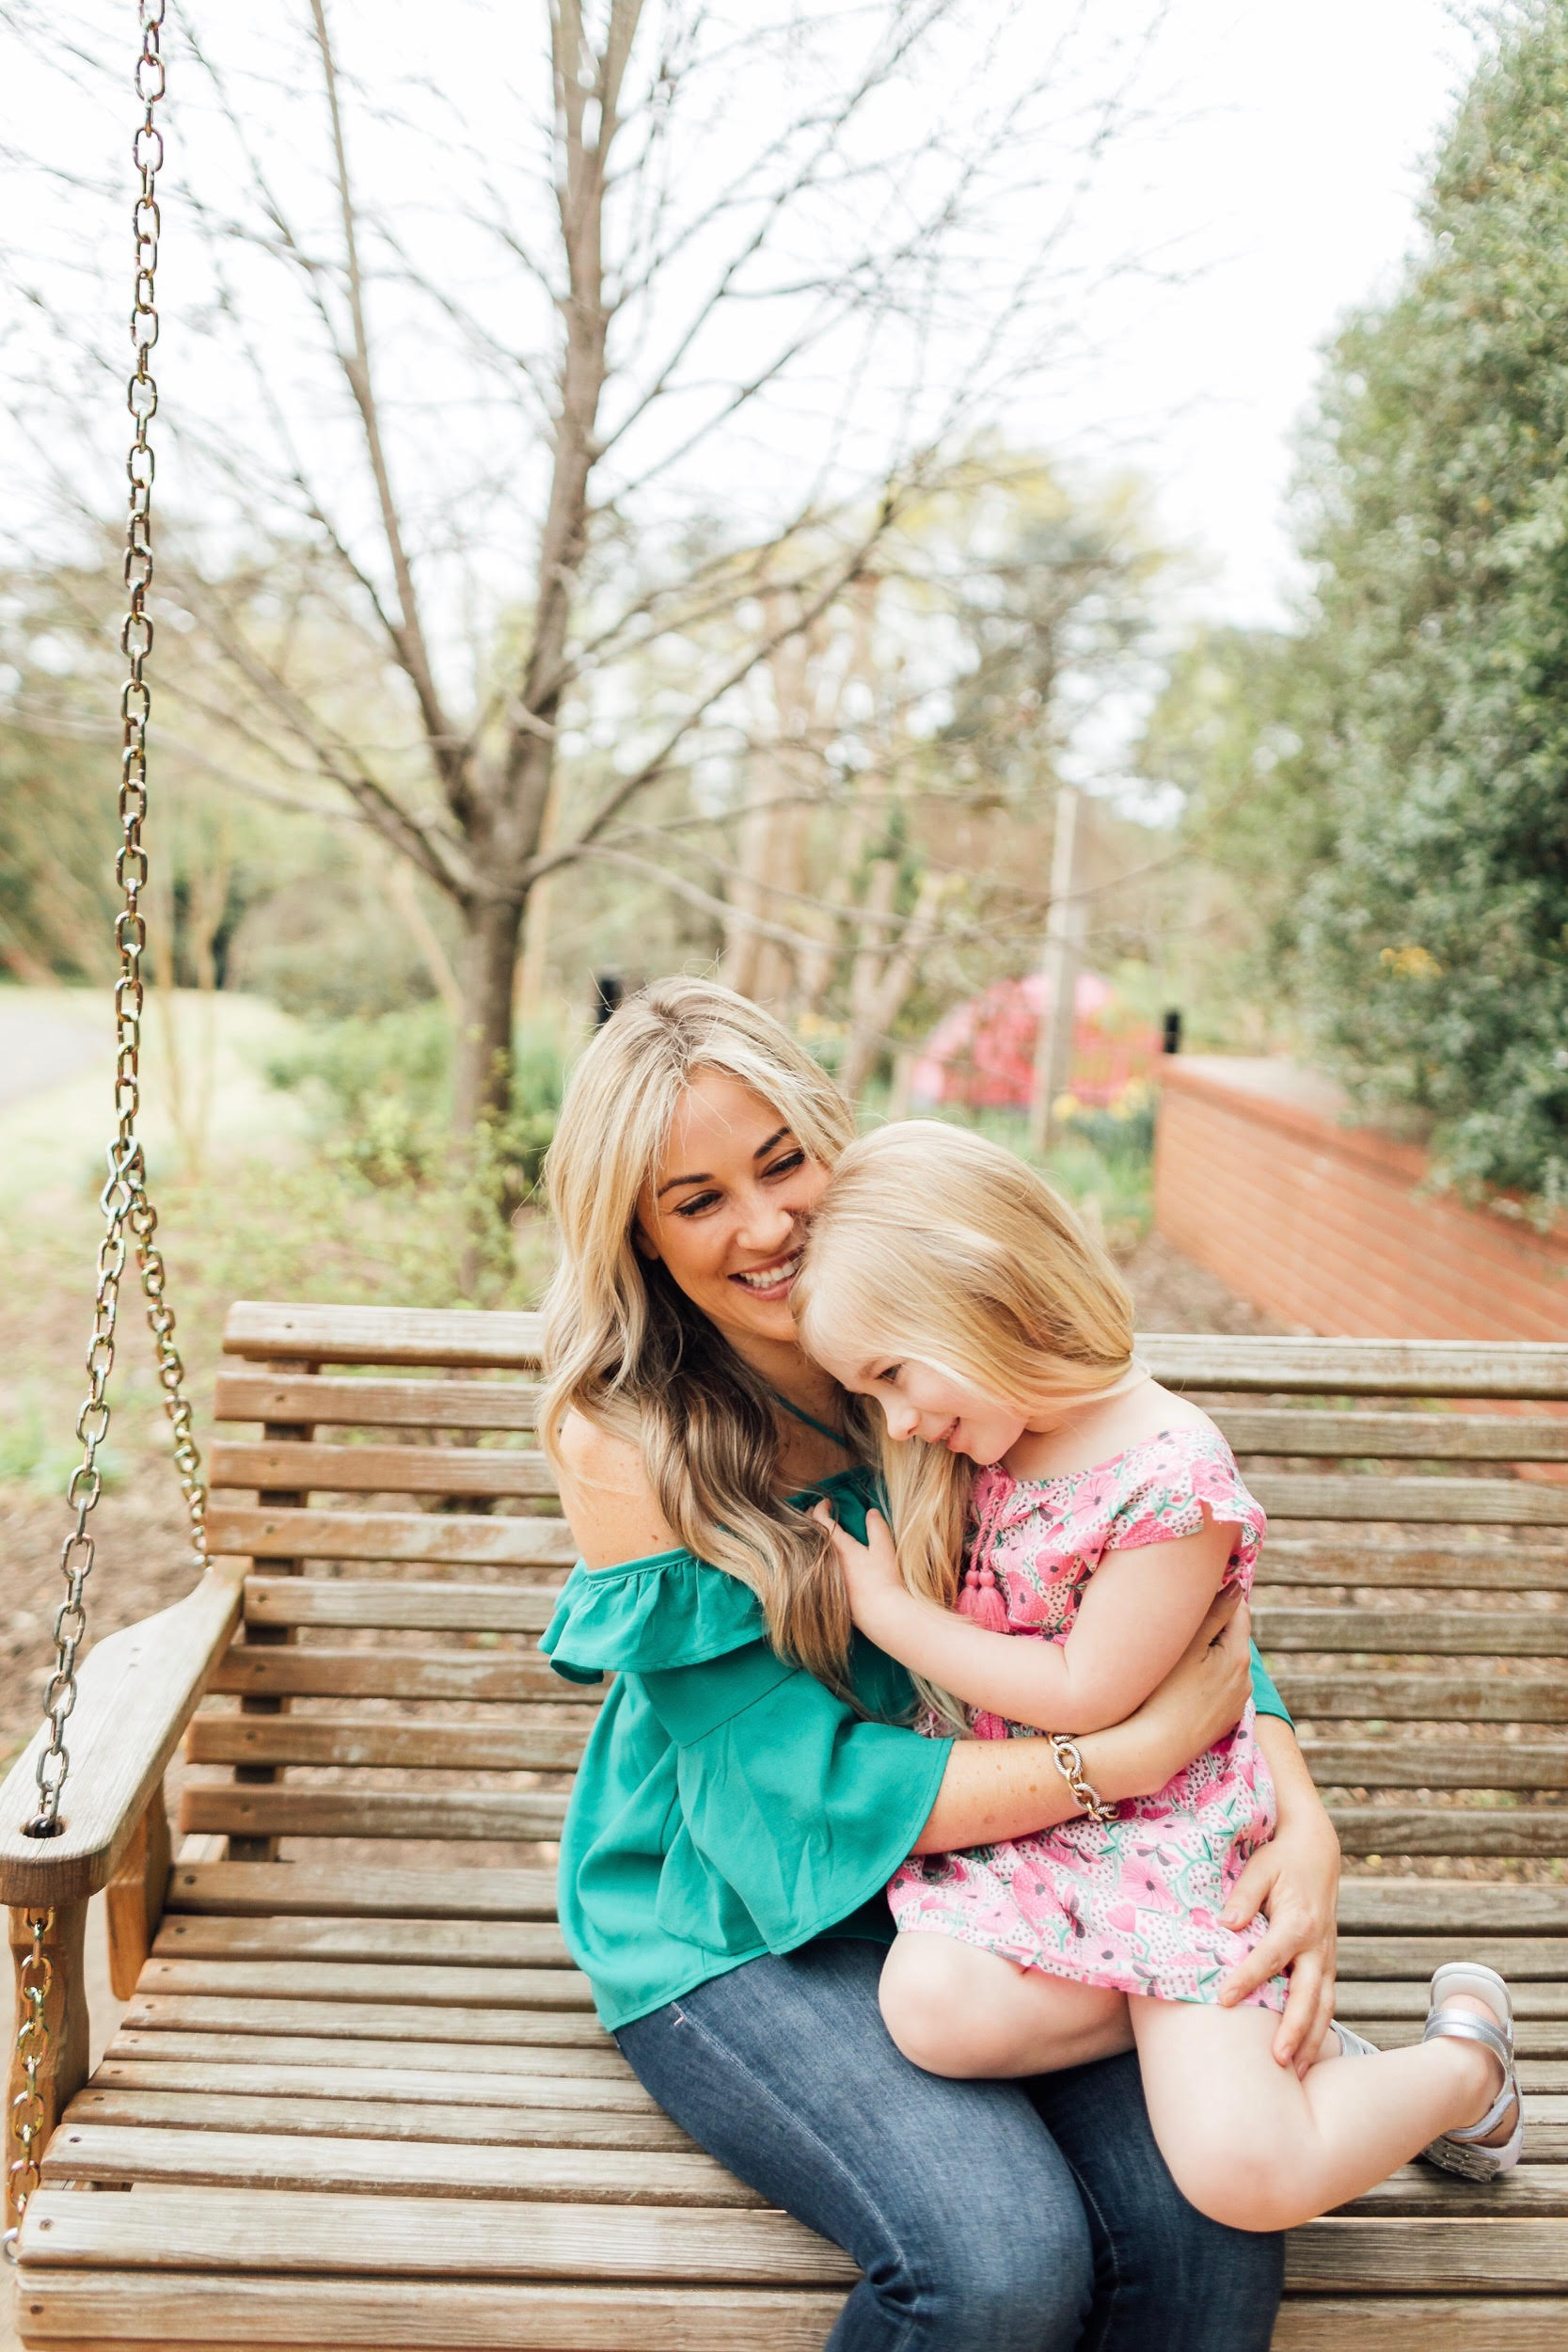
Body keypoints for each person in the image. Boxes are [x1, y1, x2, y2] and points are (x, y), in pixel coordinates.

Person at [537, 977, 1342, 2352]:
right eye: (697, 1199)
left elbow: (1151, 1556)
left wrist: (1296, 1809)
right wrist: (1126, 1761)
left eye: (782, 1161)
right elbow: (780, 1788)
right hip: (743, 1906)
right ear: (642, 1237)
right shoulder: (634, 1439)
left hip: (1011, 1876)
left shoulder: (924, 1318)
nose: (767, 1223)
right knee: (998, 2264)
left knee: (1207, 2237)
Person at [793, 1118, 1523, 2233]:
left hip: (1167, 1845)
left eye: (894, 1372)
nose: (897, 1420)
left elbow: (1088, 1691)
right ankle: (1253, 2027)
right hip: (1054, 1843)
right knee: (928, 2006)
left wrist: (892, 1616)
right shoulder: (990, 1437)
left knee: (1243, 2176)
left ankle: (1465, 2066)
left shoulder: (1169, 1477)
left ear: (984, 1290)